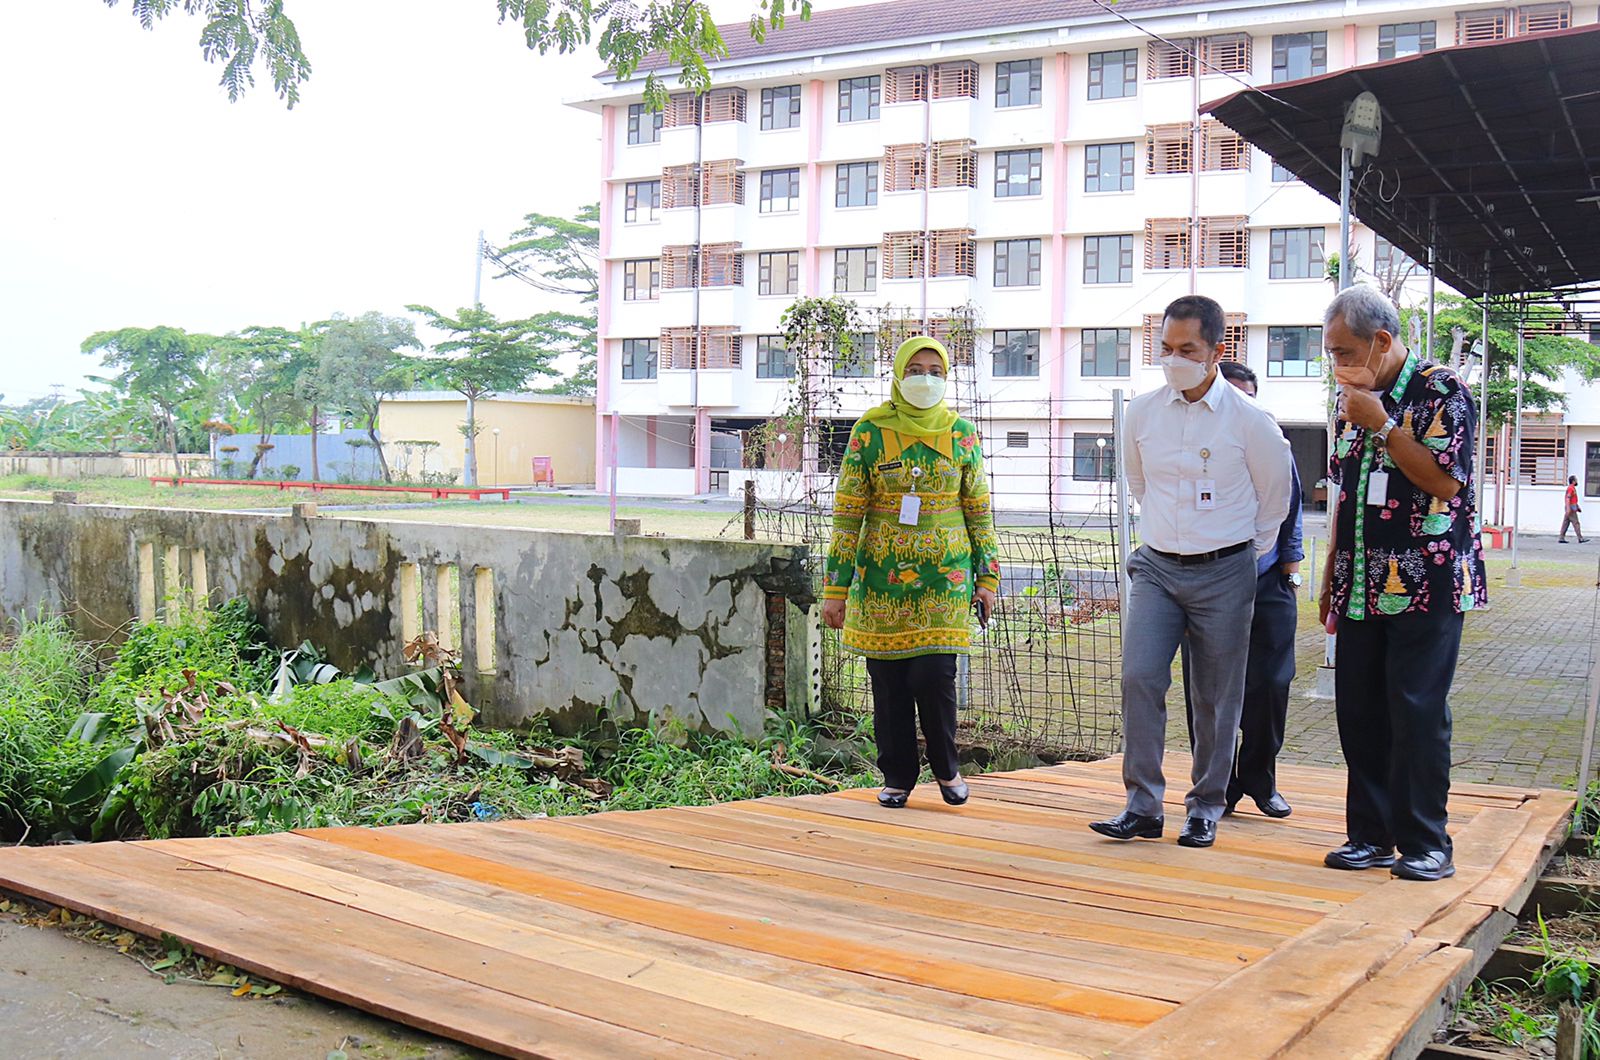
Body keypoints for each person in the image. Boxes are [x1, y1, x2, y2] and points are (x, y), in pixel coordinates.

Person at [1090, 295, 1293, 849]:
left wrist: (1242, 555)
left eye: (1188, 349)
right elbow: (1139, 485)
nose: (1173, 359)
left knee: (1215, 695)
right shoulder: (1143, 412)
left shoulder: (1251, 423)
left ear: (1215, 352)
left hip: (1225, 570)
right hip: (1157, 568)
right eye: (1165, 348)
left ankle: (1205, 805)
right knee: (1139, 677)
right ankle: (1142, 805)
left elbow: (1275, 500)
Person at [1319, 285, 1488, 883]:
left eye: (1344, 352)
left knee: (1415, 710)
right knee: (1359, 709)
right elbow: (1345, 490)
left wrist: (1386, 425)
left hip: (1430, 583)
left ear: (1382, 342)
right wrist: (1331, 569)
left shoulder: (1442, 391)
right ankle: (1370, 835)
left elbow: (1446, 483)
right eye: (1332, 354)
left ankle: (1426, 842)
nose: (1337, 364)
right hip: (1361, 580)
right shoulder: (1352, 398)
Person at [821, 335, 1002, 809]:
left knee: (934, 676)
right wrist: (835, 589)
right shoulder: (869, 433)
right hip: (882, 583)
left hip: (946, 579)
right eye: (916, 369)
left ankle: (946, 766)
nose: (926, 379)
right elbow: (847, 517)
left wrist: (987, 578)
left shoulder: (962, 434)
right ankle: (898, 775)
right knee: (890, 683)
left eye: (936, 371)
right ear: (899, 375)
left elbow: (980, 512)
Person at [1181, 360, 1303, 819]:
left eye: (1245, 396)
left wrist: (1289, 571)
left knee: (1271, 683)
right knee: (1207, 691)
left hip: (1266, 580)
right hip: (1205, 583)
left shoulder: (1270, 441)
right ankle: (1217, 786)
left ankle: (1260, 779)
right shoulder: (1191, 448)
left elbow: (1289, 508)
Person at [1560, 475, 1586, 543]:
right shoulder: (1571, 488)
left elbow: (1573, 499)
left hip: (1571, 507)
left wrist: (1577, 507)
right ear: (1573, 481)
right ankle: (1580, 538)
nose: (1577, 481)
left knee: (1565, 523)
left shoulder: (1572, 488)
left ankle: (1561, 538)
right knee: (1576, 523)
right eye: (1576, 480)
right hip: (1571, 509)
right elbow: (1568, 498)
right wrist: (1569, 508)